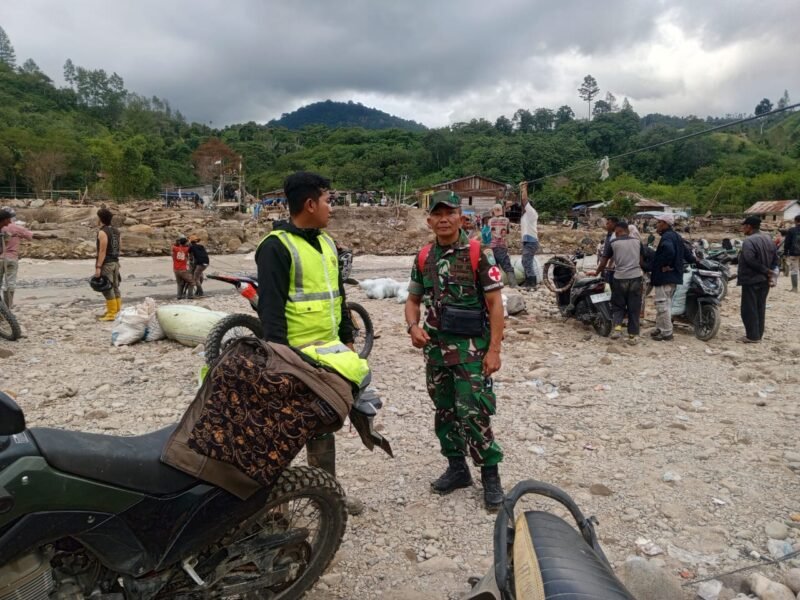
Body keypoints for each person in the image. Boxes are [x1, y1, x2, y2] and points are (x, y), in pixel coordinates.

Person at [256, 171, 366, 481]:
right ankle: (277, 502)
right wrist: (279, 363)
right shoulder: (275, 247)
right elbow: (271, 312)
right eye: (328, 200)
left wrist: (348, 340)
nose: (332, 208)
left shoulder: (327, 243)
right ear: (310, 204)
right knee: (282, 431)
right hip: (294, 358)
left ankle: (323, 491)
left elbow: (338, 297)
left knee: (322, 426)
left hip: (328, 357)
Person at [404, 190, 506, 510]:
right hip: (436, 352)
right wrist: (413, 327)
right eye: (438, 214)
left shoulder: (479, 253)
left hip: (471, 351)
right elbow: (412, 300)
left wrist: (494, 350)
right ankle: (457, 468)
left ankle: (490, 474)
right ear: (429, 220)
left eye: (450, 213)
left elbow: (495, 304)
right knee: (445, 411)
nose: (444, 219)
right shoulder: (424, 257)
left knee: (474, 410)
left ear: (461, 218)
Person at [597, 221, 643, 343]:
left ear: (618, 231)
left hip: (620, 278)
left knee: (618, 305)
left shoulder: (613, 243)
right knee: (634, 307)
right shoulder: (637, 242)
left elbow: (603, 262)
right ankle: (633, 335)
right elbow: (641, 261)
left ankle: (617, 329)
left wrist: (596, 272)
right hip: (636, 278)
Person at [738, 216, 778, 342]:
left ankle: (752, 336)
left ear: (749, 227)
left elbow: (750, 259)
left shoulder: (749, 241)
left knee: (749, 308)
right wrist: (769, 272)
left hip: (751, 279)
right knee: (760, 307)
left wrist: (765, 270)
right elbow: (775, 259)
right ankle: (758, 334)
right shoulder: (768, 239)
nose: (743, 228)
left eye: (744, 226)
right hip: (764, 280)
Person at [649, 214, 684, 341]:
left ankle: (667, 332)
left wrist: (665, 265)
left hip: (664, 277)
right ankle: (659, 328)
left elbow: (669, 251)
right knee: (665, 304)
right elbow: (686, 252)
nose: (657, 225)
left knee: (662, 304)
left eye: (659, 222)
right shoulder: (676, 236)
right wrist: (696, 261)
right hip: (674, 277)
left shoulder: (667, 237)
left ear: (664, 223)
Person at [0, 208, 33, 309]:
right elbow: (30, 236)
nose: (9, 222)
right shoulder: (17, 228)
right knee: (10, 283)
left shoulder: (3, 228)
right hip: (12, 258)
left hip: (2, 257)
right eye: (8, 220)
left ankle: (3, 309)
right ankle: (7, 307)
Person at [95, 208, 122, 321]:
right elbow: (119, 247)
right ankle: (117, 311)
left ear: (100, 219)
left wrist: (98, 267)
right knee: (115, 287)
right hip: (115, 262)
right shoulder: (116, 231)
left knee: (107, 288)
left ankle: (111, 313)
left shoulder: (102, 232)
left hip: (107, 263)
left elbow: (102, 251)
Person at [488, 204, 516, 287]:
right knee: (507, 265)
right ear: (501, 210)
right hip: (502, 246)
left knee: (494, 266)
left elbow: (488, 233)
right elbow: (507, 232)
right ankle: (513, 284)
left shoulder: (490, 221)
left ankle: (496, 285)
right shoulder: (506, 220)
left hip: (492, 246)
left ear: (493, 211)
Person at [518, 182, 540, 288]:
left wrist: (524, 188)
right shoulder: (525, 216)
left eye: (524, 206)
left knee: (527, 261)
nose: (522, 207)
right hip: (527, 241)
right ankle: (529, 280)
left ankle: (531, 282)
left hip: (531, 241)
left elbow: (524, 199)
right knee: (525, 261)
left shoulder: (532, 213)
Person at [599, 216, 619, 284]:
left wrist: (597, 272)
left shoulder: (614, 236)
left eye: (608, 223)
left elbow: (608, 256)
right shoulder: (609, 235)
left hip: (614, 268)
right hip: (610, 266)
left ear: (614, 224)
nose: (606, 225)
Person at [783, 215, 800, 292]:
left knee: (794, 270)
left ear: (795, 221)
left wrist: (785, 252)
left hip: (794, 252)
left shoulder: (791, 230)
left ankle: (795, 288)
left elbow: (787, 243)